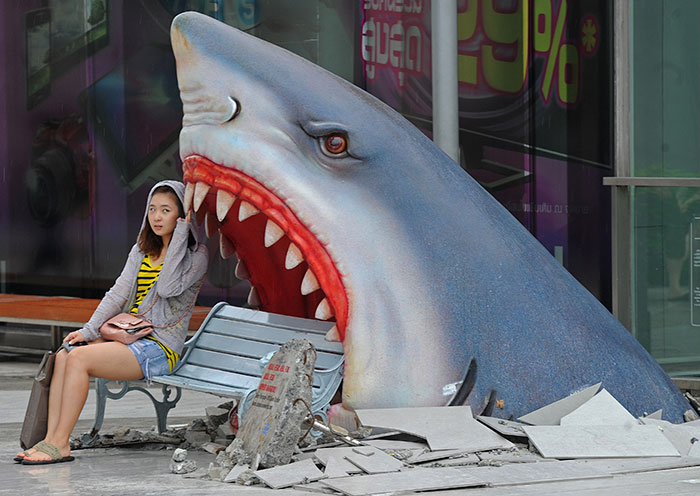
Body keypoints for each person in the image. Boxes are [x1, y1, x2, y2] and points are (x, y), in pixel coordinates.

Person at [15, 180, 208, 465]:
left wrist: (180, 234)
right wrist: (88, 330)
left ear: (182, 216)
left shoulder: (197, 256)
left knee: (80, 360)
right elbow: (117, 293)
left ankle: (60, 443)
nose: (156, 217)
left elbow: (167, 287)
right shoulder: (142, 250)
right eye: (152, 209)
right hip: (130, 337)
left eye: (165, 210)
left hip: (161, 348)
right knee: (66, 354)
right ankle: (50, 440)